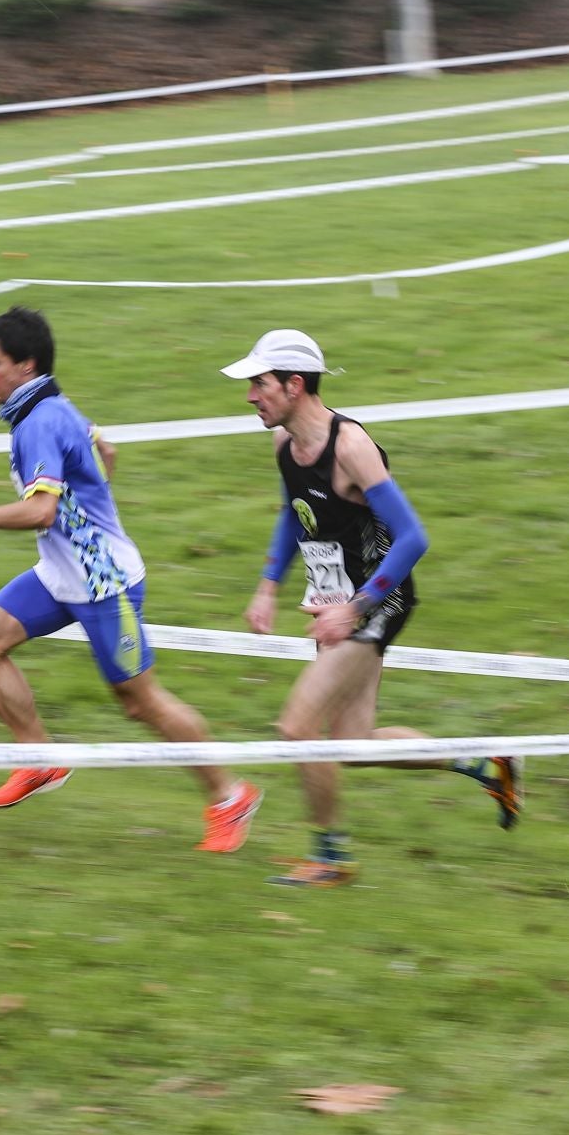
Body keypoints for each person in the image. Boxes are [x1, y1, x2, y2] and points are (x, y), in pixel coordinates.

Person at [0, 307, 262, 853]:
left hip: (106, 585)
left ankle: (229, 795)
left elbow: (41, 513)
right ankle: (39, 760)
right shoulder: (51, 404)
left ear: (25, 365)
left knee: (139, 702)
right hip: (60, 576)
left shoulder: (38, 422)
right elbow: (106, 448)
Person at [224, 327, 522, 887]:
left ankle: (331, 858)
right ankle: (487, 763)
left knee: (297, 728)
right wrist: (268, 584)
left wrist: (355, 608)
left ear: (294, 384)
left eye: (258, 383)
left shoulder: (351, 447)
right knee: (355, 746)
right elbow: (297, 512)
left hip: (378, 599)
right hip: (336, 601)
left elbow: (412, 537)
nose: (249, 396)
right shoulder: (284, 442)